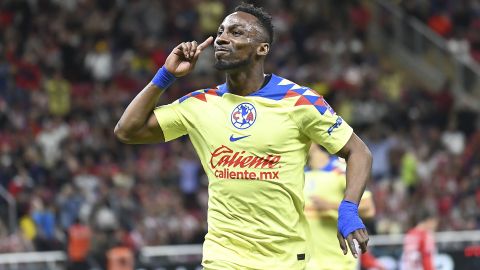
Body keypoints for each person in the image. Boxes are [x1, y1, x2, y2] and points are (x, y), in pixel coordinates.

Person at [115, 3, 372, 269]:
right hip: (222, 257)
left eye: (236, 32)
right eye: (221, 31)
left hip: (283, 259)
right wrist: (166, 75)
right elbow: (127, 130)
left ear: (262, 48)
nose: (222, 38)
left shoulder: (299, 101)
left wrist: (349, 209)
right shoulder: (200, 104)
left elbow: (359, 152)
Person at [304, 144, 383, 270]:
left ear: (312, 142)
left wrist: (330, 205)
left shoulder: (341, 170)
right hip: (308, 263)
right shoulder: (301, 175)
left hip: (339, 263)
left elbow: (369, 208)